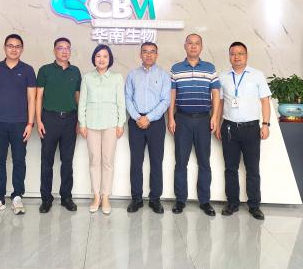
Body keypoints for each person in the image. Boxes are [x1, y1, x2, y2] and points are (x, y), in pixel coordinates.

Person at [216, 41, 272, 220]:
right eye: (233, 53)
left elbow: (265, 101)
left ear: (246, 56)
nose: (237, 57)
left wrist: (266, 124)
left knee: (252, 169)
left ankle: (254, 205)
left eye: (240, 53)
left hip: (251, 128)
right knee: (230, 168)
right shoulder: (223, 77)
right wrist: (217, 123)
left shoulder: (257, 75)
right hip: (229, 128)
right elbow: (220, 103)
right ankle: (232, 203)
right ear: (229, 56)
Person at [168, 33, 221, 215]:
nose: (193, 46)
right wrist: (171, 117)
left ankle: (205, 201)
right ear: (185, 46)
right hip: (182, 119)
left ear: (201, 47)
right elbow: (172, 94)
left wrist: (214, 117)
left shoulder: (210, 68)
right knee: (181, 162)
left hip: (203, 120)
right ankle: (180, 200)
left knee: (204, 162)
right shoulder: (176, 69)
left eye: (197, 43)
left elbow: (216, 93)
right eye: (190, 43)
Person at [0, 34, 36, 216]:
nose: (14, 49)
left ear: (22, 49)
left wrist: (30, 123)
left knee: (19, 161)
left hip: (20, 124)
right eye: (10, 46)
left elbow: (32, 98)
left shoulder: (28, 70)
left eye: (17, 46)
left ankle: (17, 196)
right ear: (4, 47)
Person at [78, 44, 126, 215]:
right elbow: (82, 102)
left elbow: (121, 102)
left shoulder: (117, 78)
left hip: (111, 124)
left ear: (109, 59)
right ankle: (96, 196)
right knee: (94, 160)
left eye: (105, 56)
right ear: (94, 58)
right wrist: (82, 123)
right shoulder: (87, 78)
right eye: (98, 56)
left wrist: (121, 123)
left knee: (107, 161)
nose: (101, 59)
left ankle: (106, 196)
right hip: (91, 124)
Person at [36, 37, 82, 213]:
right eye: (60, 48)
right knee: (46, 161)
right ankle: (46, 199)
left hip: (70, 120)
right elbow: (38, 97)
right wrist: (39, 120)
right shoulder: (45, 70)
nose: (64, 51)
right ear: (54, 50)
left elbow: (77, 97)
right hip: (49, 119)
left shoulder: (75, 71)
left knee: (67, 161)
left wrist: (79, 120)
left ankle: (66, 197)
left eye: (67, 48)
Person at [124, 41, 171, 214]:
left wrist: (149, 118)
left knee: (156, 161)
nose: (149, 55)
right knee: (136, 162)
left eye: (152, 52)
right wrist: (138, 117)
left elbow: (165, 100)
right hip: (136, 122)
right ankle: (136, 198)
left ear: (157, 55)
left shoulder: (164, 75)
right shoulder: (132, 74)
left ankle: (155, 199)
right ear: (140, 54)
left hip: (156, 123)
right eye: (145, 51)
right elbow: (127, 98)